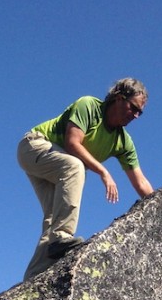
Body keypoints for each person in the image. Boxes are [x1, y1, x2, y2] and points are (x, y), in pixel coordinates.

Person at [17, 78, 154, 279]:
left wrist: (161, 204)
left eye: (139, 112)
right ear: (118, 98)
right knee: (75, 166)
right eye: (133, 108)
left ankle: (33, 278)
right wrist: (104, 172)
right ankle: (62, 236)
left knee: (53, 219)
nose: (135, 116)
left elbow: (140, 182)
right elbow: (72, 143)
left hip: (58, 166)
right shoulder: (89, 106)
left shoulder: (123, 142)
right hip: (35, 146)